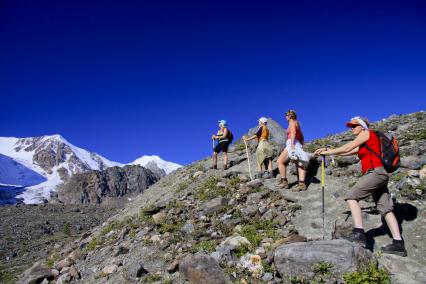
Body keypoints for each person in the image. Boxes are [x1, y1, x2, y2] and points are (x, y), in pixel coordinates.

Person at [314, 116, 407, 256]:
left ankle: (358, 233)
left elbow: (347, 147)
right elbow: (348, 152)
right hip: (379, 174)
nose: (351, 128)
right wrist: (327, 149)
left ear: (362, 126)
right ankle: (398, 244)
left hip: (375, 173)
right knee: (385, 209)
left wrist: (327, 152)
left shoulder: (367, 133)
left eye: (354, 126)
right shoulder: (366, 140)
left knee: (351, 197)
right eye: (351, 126)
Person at [276, 110, 309, 191]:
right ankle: (301, 184)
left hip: (292, 143)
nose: (285, 116)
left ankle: (284, 182)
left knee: (280, 161)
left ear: (290, 115)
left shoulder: (291, 122)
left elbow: (293, 132)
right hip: (296, 143)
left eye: (286, 115)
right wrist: (300, 144)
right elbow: (301, 135)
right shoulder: (297, 123)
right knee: (299, 163)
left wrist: (292, 144)